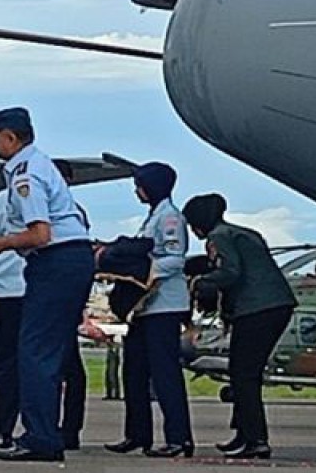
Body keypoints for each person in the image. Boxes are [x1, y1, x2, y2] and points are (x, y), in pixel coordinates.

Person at [0, 107, 94, 463]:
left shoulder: (25, 174)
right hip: (71, 261)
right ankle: (48, 433)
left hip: (55, 262)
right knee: (51, 351)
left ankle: (40, 436)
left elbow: (40, 233)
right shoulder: (39, 166)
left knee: (34, 350)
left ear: (10, 138)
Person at [184, 193, 297, 460]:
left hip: (256, 309)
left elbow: (230, 272)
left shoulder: (219, 237)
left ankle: (256, 439)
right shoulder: (243, 233)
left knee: (243, 374)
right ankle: (244, 434)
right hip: (275, 306)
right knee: (245, 372)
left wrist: (198, 282)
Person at [0, 190, 87, 454]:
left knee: (10, 362)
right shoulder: (71, 208)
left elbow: (2, 233)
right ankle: (61, 430)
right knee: (60, 361)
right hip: (44, 283)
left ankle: (4, 431)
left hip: (11, 283)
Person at [106, 161, 194, 458]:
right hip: (144, 307)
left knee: (164, 373)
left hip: (164, 305)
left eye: (140, 185)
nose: (136, 191)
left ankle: (179, 437)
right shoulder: (153, 218)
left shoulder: (170, 218)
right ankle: (137, 433)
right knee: (134, 371)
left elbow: (175, 258)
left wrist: (144, 274)